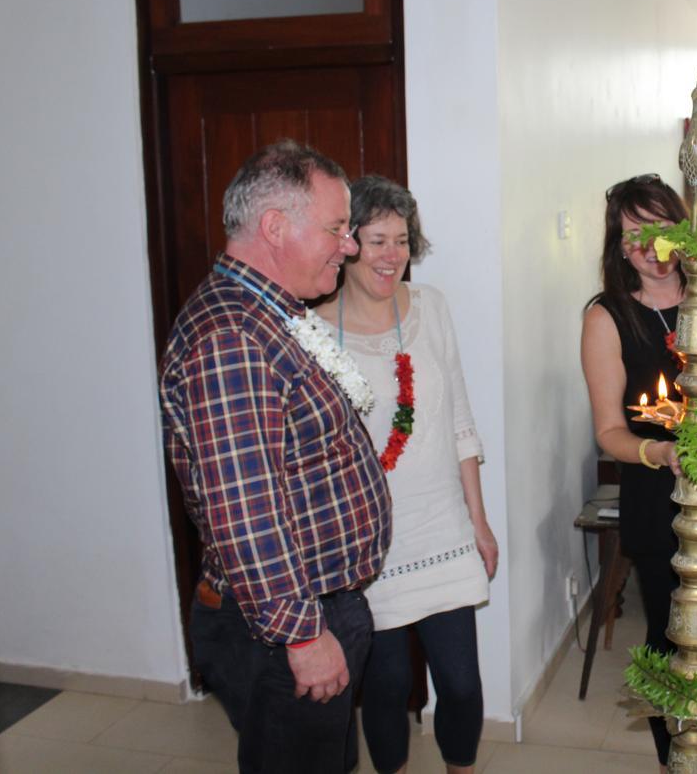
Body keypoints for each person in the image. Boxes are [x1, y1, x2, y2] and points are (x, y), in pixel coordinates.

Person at [159, 141, 391, 773]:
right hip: (285, 624)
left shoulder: (267, 315)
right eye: (338, 229)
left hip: (311, 607)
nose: (349, 246)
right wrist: (304, 634)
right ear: (274, 227)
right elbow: (246, 510)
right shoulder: (233, 337)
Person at [580, 174, 697, 774]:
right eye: (632, 233)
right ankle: (678, 758)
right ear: (618, 245)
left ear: (684, 229)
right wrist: (660, 454)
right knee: (671, 639)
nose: (649, 245)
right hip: (661, 495)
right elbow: (609, 432)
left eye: (660, 228)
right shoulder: (607, 317)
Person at [312, 176, 497, 774]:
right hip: (368, 543)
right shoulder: (313, 329)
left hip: (443, 526)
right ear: (347, 244)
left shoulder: (432, 307)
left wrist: (480, 521)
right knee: (387, 688)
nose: (391, 255)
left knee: (462, 686)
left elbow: (460, 421)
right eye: (375, 239)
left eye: (402, 240)